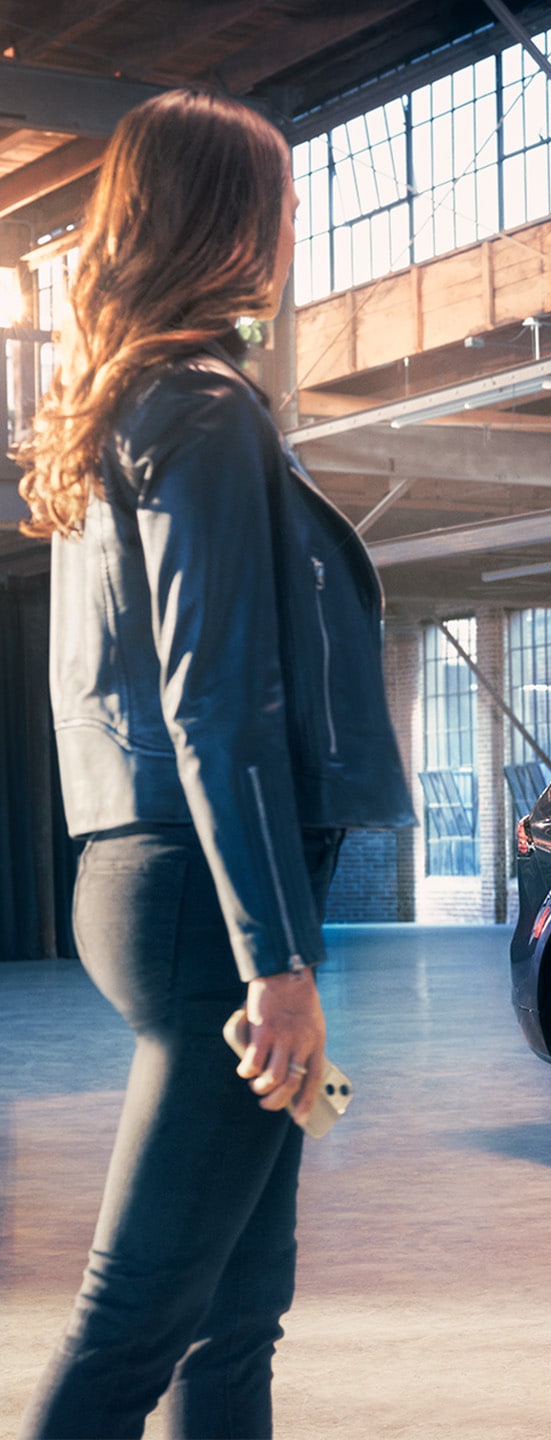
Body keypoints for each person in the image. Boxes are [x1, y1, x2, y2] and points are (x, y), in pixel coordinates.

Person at [14, 89, 412, 1439]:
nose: (299, 223)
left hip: (147, 882)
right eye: (284, 198)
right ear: (225, 218)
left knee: (237, 1315)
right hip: (211, 911)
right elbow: (218, 705)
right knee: (138, 1323)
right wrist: (274, 962)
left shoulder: (125, 407)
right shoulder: (201, 409)